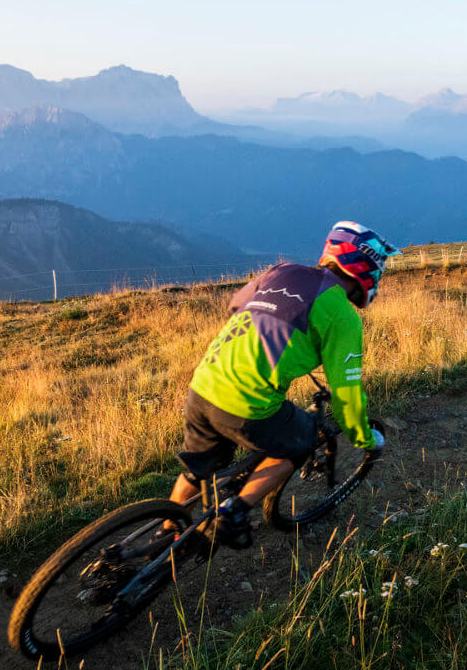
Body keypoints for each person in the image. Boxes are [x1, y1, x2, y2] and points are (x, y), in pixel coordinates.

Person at [167, 221, 397, 548]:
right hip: (244, 403)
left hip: (203, 383)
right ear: (366, 268)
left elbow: (237, 305)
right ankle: (234, 511)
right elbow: (346, 395)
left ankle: (165, 530)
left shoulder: (282, 270)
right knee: (300, 442)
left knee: (197, 468)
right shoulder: (343, 316)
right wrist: (363, 438)